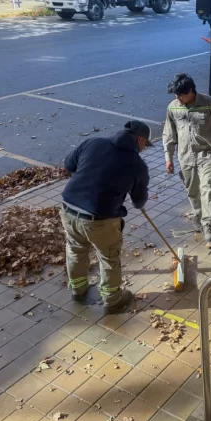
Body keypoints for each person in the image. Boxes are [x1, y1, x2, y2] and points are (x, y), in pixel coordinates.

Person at [60, 120, 151, 313]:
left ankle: (77, 290)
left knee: (75, 250)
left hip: (68, 208)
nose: (144, 149)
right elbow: (139, 201)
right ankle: (112, 301)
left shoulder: (93, 142)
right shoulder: (137, 165)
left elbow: (69, 165)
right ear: (139, 139)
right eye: (145, 144)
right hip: (99, 219)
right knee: (109, 257)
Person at [163, 73, 211, 242]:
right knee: (192, 191)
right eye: (175, 95)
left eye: (180, 95)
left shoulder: (209, 104)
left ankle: (207, 224)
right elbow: (169, 134)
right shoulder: (173, 108)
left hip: (206, 154)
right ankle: (199, 217)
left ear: (190, 91)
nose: (177, 98)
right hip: (185, 157)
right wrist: (168, 158)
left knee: (207, 188)